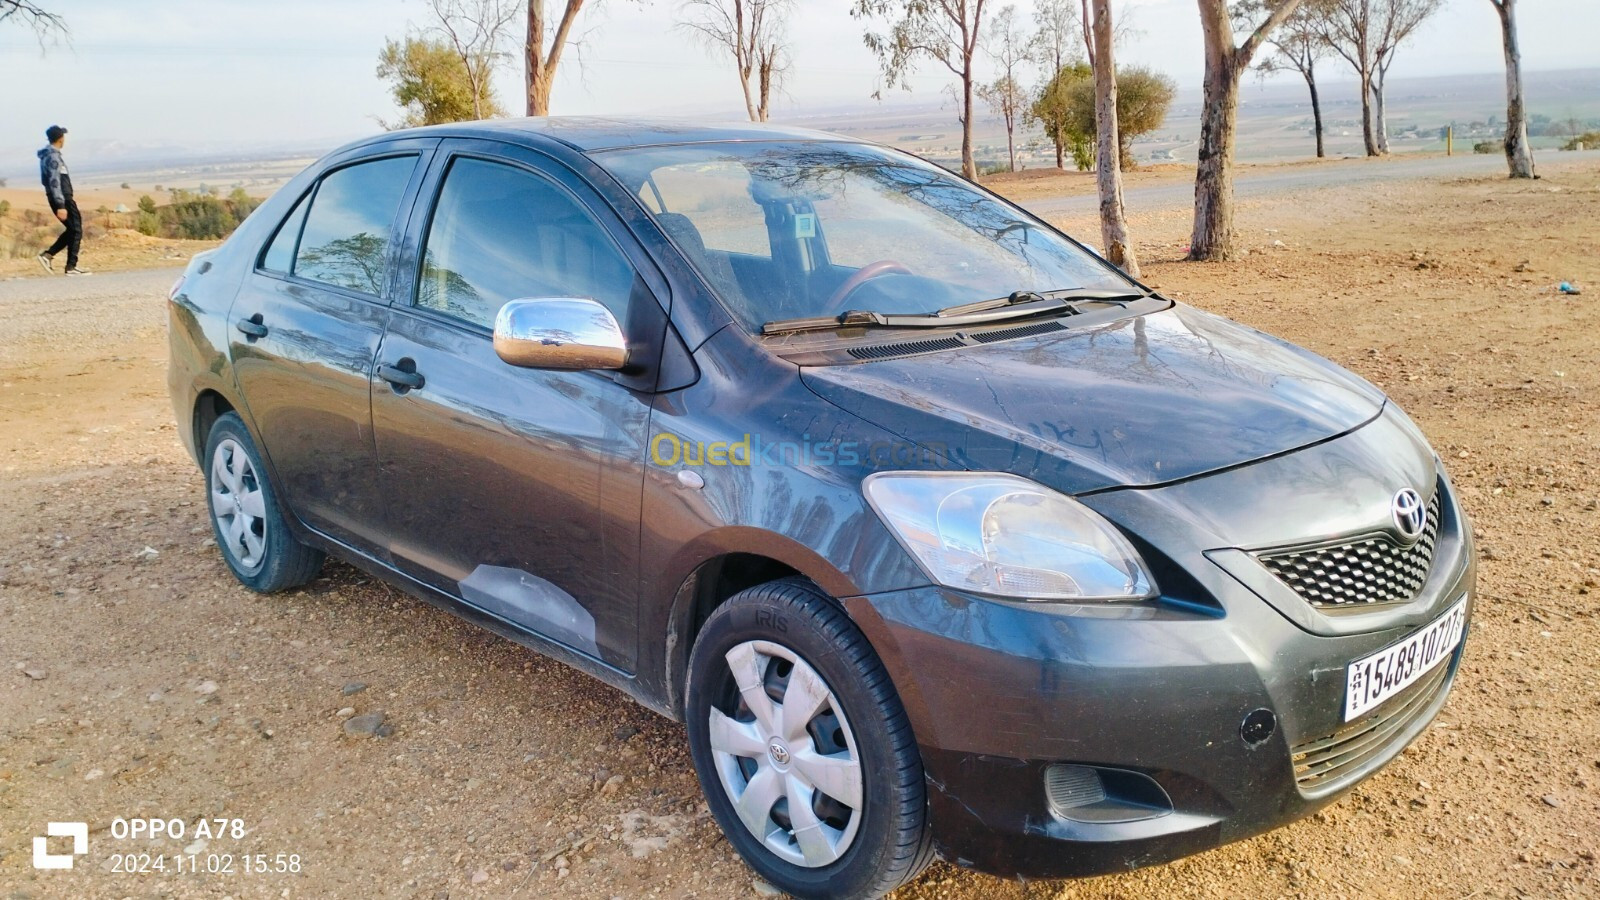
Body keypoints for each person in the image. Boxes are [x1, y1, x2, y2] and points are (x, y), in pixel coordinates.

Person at [36, 124, 89, 276]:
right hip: (62, 198)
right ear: (60, 139)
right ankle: (71, 267)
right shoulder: (53, 157)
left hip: (61, 197)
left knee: (73, 229)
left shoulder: (50, 155)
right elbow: (54, 181)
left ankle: (48, 256)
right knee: (76, 229)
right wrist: (60, 204)